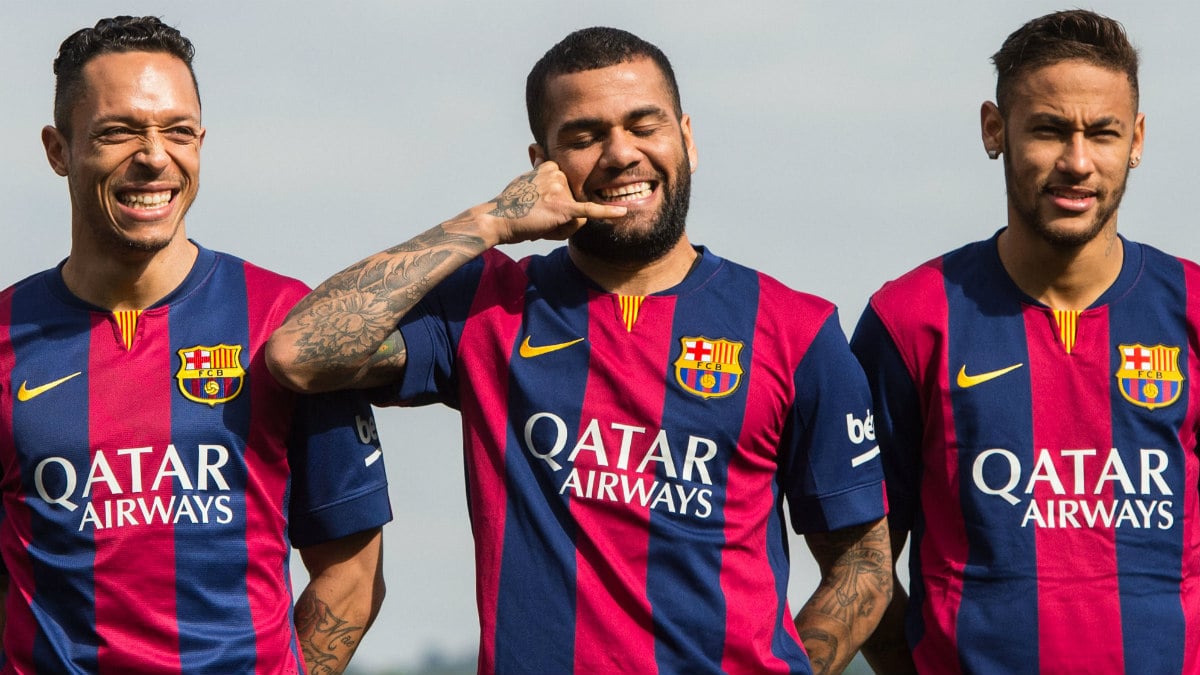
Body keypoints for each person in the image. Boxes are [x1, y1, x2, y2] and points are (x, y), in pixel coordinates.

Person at [267, 26, 890, 675]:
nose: (621, 153)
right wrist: (491, 222)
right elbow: (298, 351)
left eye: (644, 125)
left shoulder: (795, 329)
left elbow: (863, 562)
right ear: (544, 162)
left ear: (687, 137)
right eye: (585, 135)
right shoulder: (487, 308)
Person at [0, 16, 392, 674]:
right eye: (119, 131)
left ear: (201, 142)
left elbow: (351, 571)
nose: (154, 156)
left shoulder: (284, 319)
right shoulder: (7, 335)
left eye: (177, 131)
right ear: (58, 149)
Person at [853, 9, 1200, 674]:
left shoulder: (1193, 310)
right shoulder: (910, 319)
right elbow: (859, 565)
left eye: (1102, 132)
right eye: (1049, 130)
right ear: (995, 129)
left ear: (1138, 139)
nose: (1077, 161)